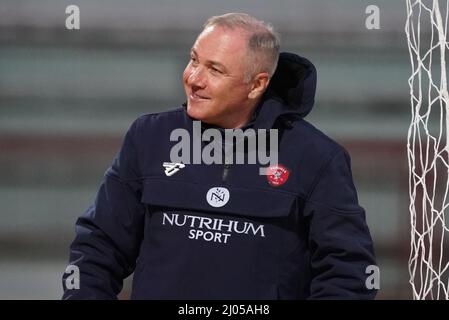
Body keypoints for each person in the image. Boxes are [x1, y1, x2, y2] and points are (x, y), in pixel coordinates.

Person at [62, 12, 377, 299]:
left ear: (256, 85)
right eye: (194, 60)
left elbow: (348, 273)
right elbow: (97, 249)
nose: (194, 78)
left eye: (214, 69)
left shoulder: (316, 158)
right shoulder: (148, 137)